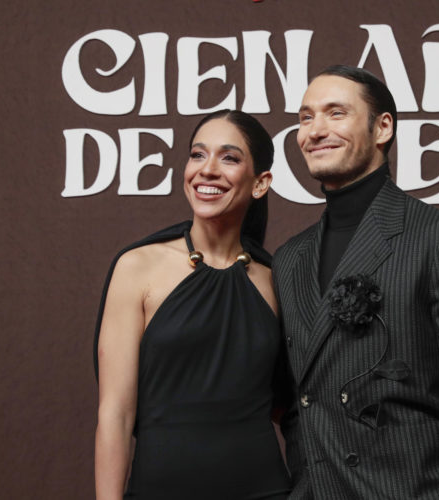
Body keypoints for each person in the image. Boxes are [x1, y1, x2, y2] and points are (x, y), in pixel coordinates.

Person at [272, 65, 439, 499]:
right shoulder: (291, 257)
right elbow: (298, 404)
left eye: (335, 113)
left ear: (382, 126)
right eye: (305, 117)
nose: (315, 130)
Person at [93, 110, 292, 499]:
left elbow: (288, 406)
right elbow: (115, 414)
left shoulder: (275, 278)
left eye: (229, 158)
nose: (208, 170)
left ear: (260, 183)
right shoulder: (136, 267)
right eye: (198, 155)